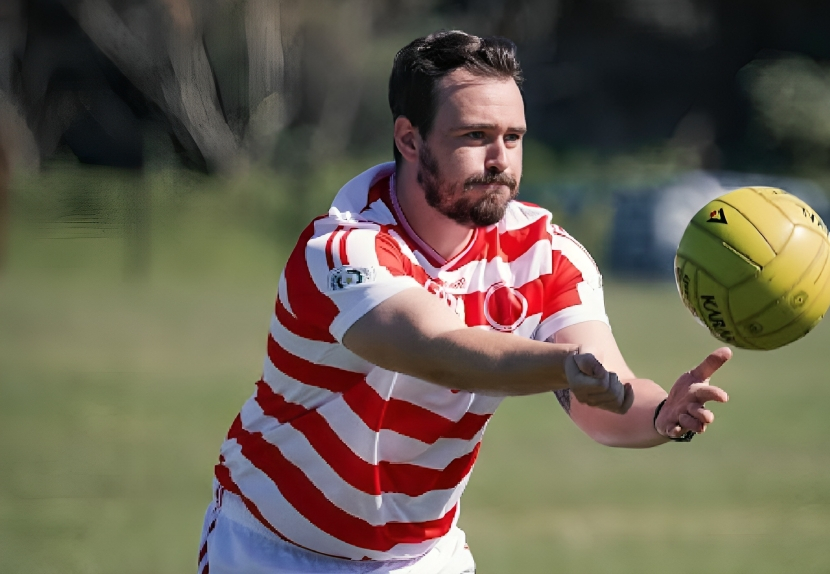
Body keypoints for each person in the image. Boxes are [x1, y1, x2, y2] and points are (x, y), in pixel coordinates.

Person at [196, 30, 731, 574]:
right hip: (274, 550)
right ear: (409, 139)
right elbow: (437, 348)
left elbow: (603, 391)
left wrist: (661, 414)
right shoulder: (342, 248)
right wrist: (563, 366)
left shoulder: (547, 255)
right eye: (475, 135)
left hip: (423, 558)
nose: (501, 160)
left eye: (514, 137)